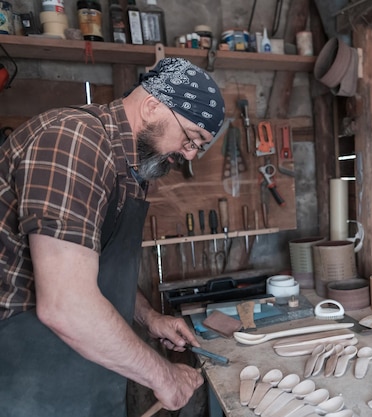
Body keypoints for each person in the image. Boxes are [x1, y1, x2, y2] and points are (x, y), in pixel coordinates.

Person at [0, 57, 225, 416]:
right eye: (191, 138)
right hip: (27, 380)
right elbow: (66, 305)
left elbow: (94, 268)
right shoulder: (74, 141)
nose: (189, 155)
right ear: (153, 105)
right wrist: (163, 376)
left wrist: (149, 317)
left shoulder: (131, 166)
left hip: (87, 374)